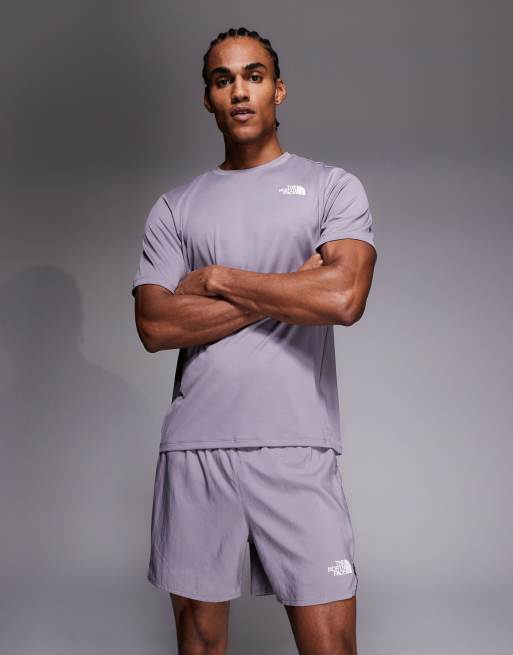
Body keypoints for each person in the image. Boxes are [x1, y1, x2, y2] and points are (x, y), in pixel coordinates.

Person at [131, 26, 377, 655]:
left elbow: (343, 298)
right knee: (199, 644)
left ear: (278, 89)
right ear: (208, 98)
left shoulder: (331, 187)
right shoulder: (175, 208)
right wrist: (287, 287)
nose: (239, 91)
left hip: (296, 444)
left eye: (254, 76)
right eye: (224, 80)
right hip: (196, 447)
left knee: (332, 646)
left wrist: (218, 280)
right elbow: (156, 325)